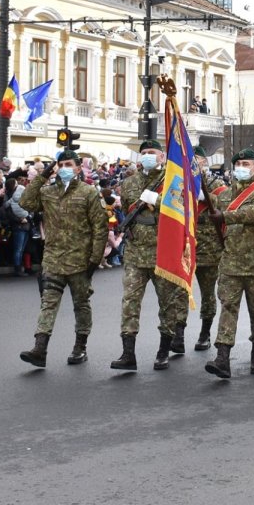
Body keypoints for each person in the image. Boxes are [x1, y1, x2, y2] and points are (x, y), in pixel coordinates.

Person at [17, 150, 109, 368]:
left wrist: (95, 259)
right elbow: (25, 201)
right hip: (54, 259)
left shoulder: (88, 192)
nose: (64, 168)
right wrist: (43, 174)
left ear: (78, 168)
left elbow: (100, 227)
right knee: (48, 304)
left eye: (69, 164)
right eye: (61, 164)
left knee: (81, 305)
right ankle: (40, 348)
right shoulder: (48, 192)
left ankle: (80, 347)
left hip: (80, 261)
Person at [110, 140, 189, 372]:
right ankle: (128, 353)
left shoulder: (173, 181)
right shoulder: (130, 182)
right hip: (136, 252)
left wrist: (160, 201)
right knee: (130, 302)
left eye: (151, 153)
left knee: (167, 303)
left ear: (162, 156)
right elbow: (126, 209)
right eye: (143, 153)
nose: (146, 156)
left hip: (162, 251)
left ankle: (164, 350)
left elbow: (182, 210)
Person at [205, 148, 254, 379]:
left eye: (247, 164)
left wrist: (226, 216)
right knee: (228, 309)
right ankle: (222, 357)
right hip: (230, 263)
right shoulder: (224, 196)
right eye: (238, 165)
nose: (242, 168)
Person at [192, 147, 226, 351]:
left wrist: (208, 198)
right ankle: (177, 332)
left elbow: (226, 204)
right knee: (177, 294)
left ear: (204, 162)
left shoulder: (215, 184)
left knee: (207, 294)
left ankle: (205, 332)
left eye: (195, 160)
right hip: (184, 248)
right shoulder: (177, 183)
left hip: (209, 250)